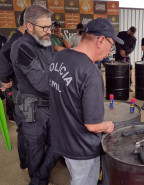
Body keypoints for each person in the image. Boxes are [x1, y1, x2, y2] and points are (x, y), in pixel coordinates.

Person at [49, 17, 121, 185]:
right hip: (81, 147)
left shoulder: (59, 57)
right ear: (101, 40)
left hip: (62, 139)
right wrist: (107, 126)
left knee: (76, 177)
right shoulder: (91, 73)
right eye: (111, 45)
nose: (110, 51)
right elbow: (93, 125)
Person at [10, 5, 59, 185]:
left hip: (51, 105)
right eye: (44, 27)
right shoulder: (21, 47)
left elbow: (56, 70)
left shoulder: (46, 44)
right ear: (29, 26)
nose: (49, 31)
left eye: (50, 26)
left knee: (58, 143)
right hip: (32, 109)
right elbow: (42, 82)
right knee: (35, 150)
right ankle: (38, 180)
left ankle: (38, 179)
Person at [0, 9, 27, 170]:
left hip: (28, 93)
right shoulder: (15, 40)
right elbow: (3, 63)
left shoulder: (27, 39)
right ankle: (25, 162)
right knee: (24, 129)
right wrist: (5, 81)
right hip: (19, 92)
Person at [115, 26, 136, 92]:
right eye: (131, 33)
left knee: (129, 69)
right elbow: (117, 42)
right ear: (129, 30)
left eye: (133, 34)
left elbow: (132, 48)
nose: (132, 35)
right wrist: (121, 51)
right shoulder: (121, 34)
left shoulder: (134, 39)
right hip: (118, 54)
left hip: (126, 56)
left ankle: (129, 85)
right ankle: (117, 85)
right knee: (117, 71)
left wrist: (126, 52)